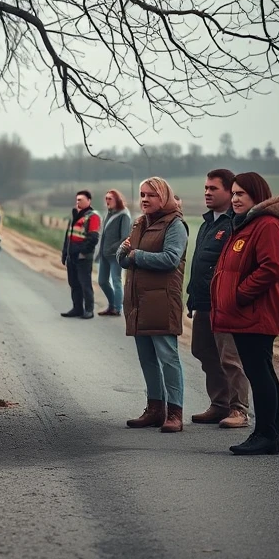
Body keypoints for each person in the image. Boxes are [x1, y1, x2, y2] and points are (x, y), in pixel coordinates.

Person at [211, 172, 279, 455]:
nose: (234, 199)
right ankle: (269, 434)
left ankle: (267, 435)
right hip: (247, 313)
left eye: (240, 194)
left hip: (257, 313)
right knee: (262, 372)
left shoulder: (267, 225)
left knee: (260, 374)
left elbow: (271, 268)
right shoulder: (248, 225)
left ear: (256, 195)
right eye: (232, 193)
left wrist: (239, 294)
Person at [117, 177, 188, 433]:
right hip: (138, 300)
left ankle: (175, 413)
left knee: (168, 357)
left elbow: (170, 259)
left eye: (151, 195)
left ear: (164, 197)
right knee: (146, 358)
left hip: (161, 300)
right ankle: (155, 409)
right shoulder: (139, 223)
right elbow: (123, 258)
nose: (145, 199)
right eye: (142, 194)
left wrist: (135, 255)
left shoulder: (175, 225)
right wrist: (124, 254)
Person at [187, 169, 250, 428]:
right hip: (202, 301)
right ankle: (219, 404)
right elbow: (199, 264)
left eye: (213, 189)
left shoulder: (236, 224)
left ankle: (239, 410)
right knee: (202, 351)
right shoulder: (207, 223)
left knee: (230, 358)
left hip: (223, 304)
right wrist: (192, 298)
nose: (207, 193)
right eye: (205, 188)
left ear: (228, 191)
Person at [61, 190, 101, 319]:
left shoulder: (92, 216)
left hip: (83, 257)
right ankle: (77, 308)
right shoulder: (75, 215)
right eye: (77, 199)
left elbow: (93, 238)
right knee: (74, 283)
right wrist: (64, 253)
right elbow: (68, 236)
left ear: (89, 201)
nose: (78, 202)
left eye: (81, 200)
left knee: (85, 284)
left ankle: (89, 310)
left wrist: (83, 252)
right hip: (71, 255)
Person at [96, 189, 131, 316]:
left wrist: (112, 248)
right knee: (102, 281)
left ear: (117, 200)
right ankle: (111, 305)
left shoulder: (124, 215)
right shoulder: (108, 214)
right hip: (104, 254)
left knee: (116, 280)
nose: (107, 201)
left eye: (110, 198)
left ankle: (117, 308)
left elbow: (125, 236)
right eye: (106, 199)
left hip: (115, 255)